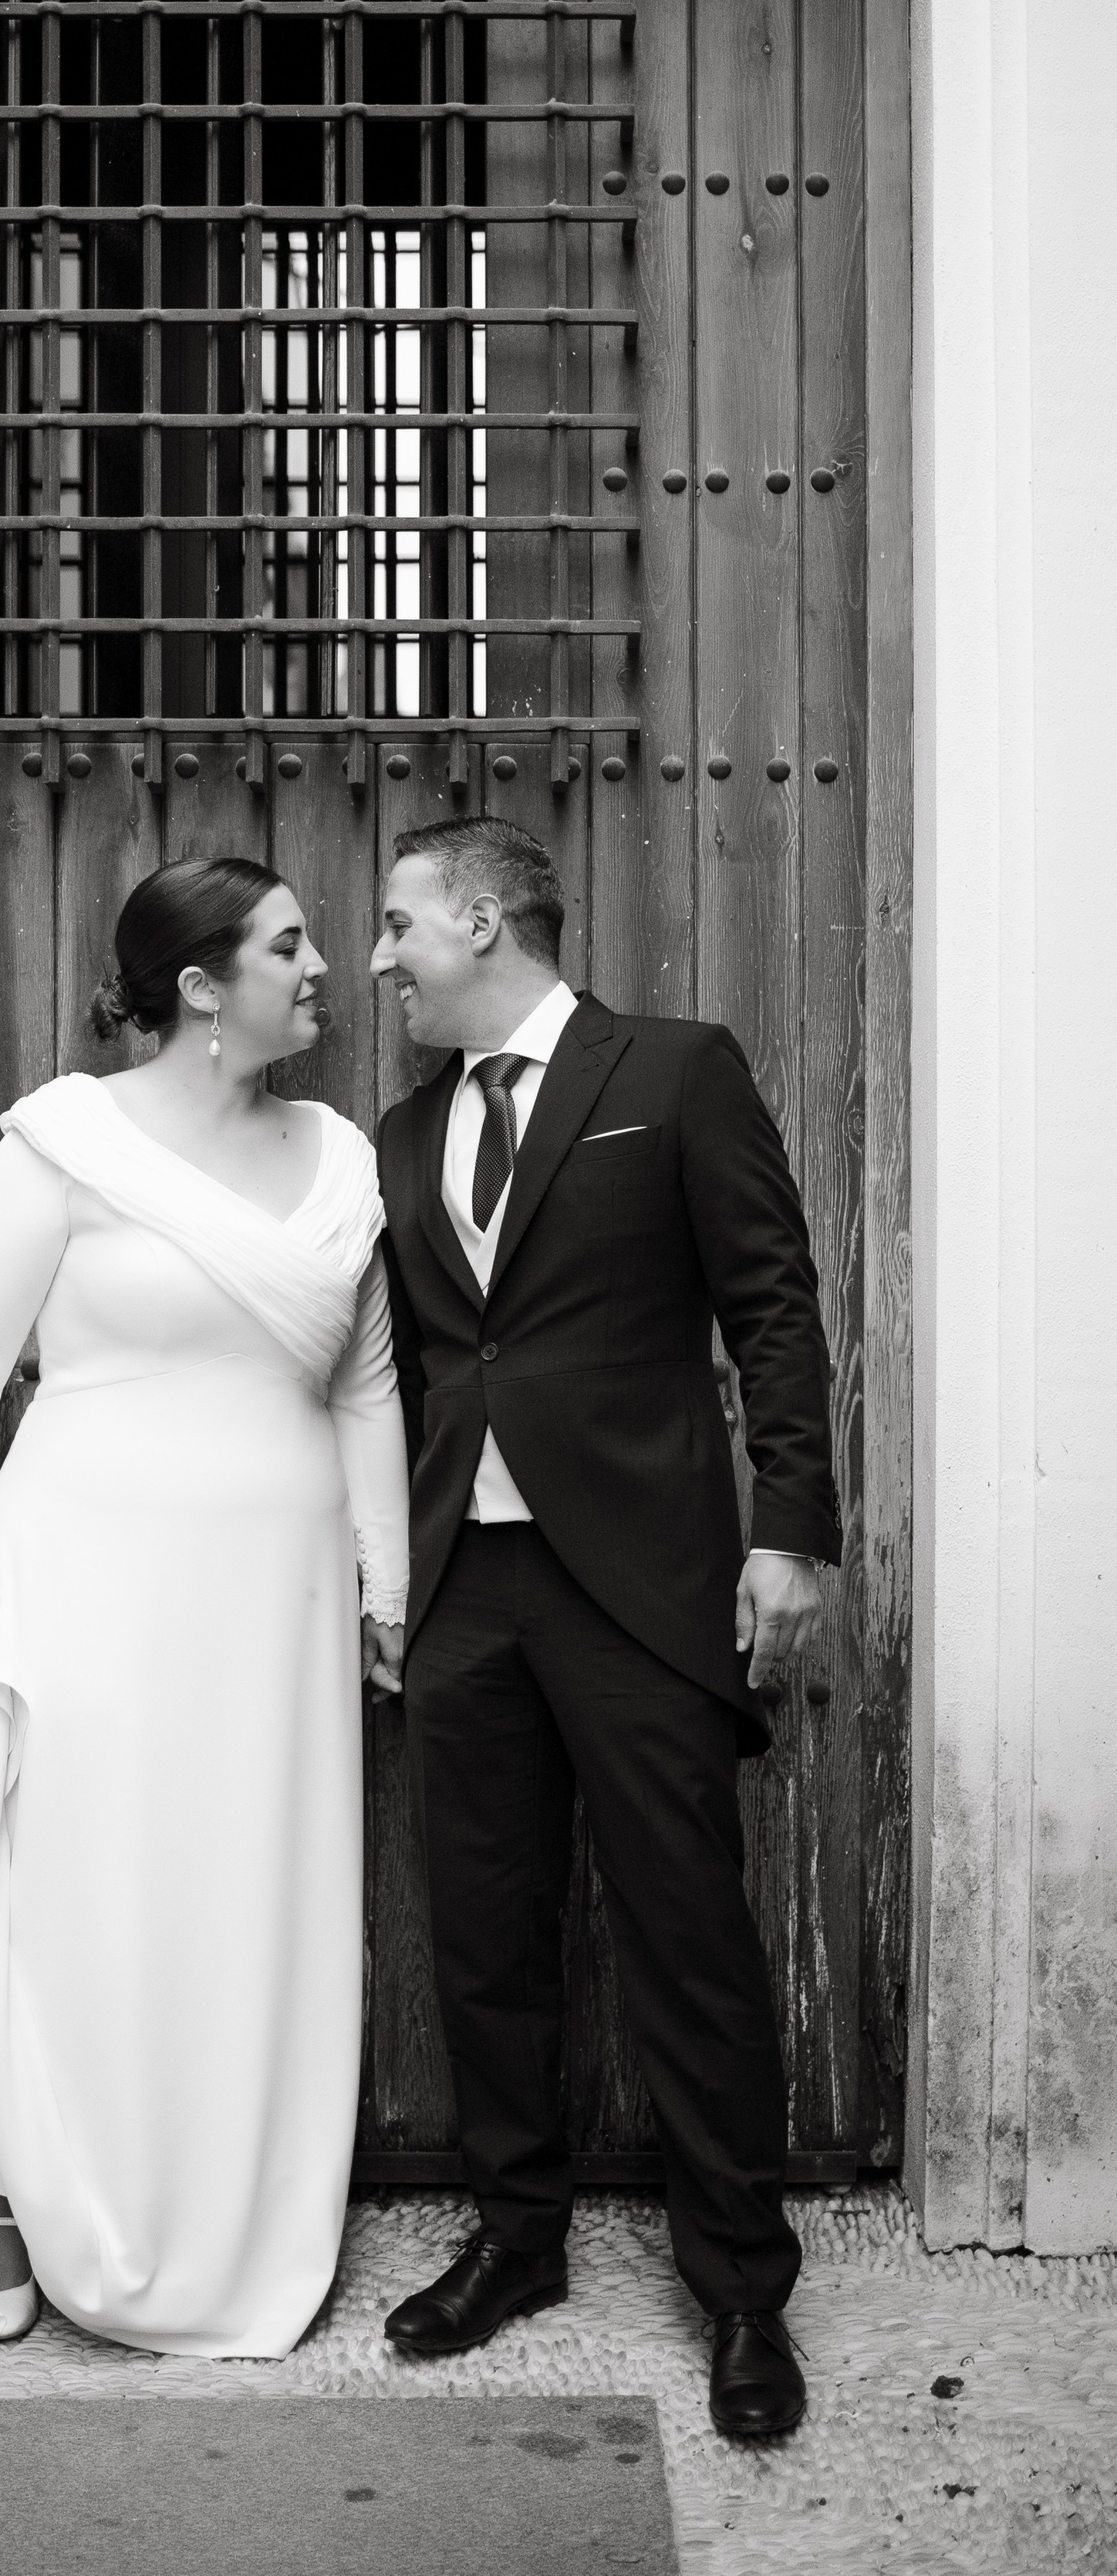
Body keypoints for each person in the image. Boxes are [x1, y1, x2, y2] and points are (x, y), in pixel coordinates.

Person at [0, 857, 410, 2419]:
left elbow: (366, 1388)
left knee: (246, 1896)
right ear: (198, 987)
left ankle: (231, 2228)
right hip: (90, 1584)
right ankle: (39, 2198)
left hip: (271, 1611)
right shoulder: (58, 1148)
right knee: (90, 1897)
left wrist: (384, 1583)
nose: (320, 966)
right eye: (285, 946)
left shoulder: (335, 1158)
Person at [367, 816, 839, 2444]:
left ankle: (739, 2290)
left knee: (684, 1937)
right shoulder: (400, 1130)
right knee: (483, 1936)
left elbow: (771, 1300)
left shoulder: (675, 1069)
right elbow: (418, 1374)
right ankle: (515, 2243)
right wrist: (388, 1576)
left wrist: (789, 1527)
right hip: (462, 1593)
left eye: (400, 926)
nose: (380, 960)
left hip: (639, 1579)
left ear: (485, 923)